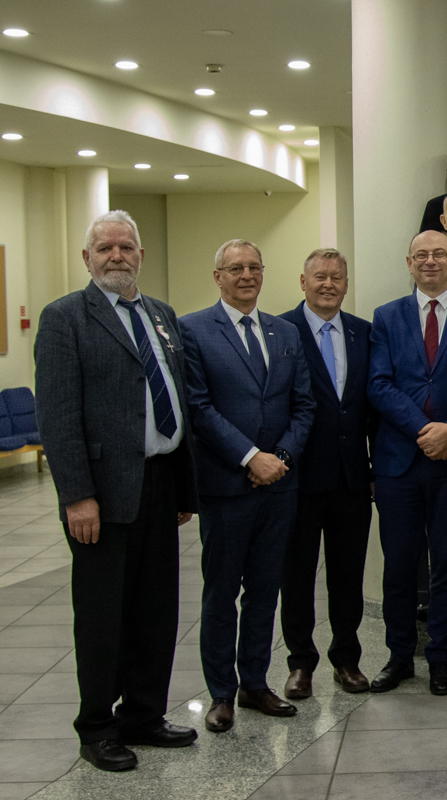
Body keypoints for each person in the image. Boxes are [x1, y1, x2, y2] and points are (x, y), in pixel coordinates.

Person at [34, 210, 199, 772]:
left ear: (140, 256)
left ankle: (144, 715)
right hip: (101, 495)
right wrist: (76, 496)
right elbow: (58, 416)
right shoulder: (65, 318)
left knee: (156, 610)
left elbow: (174, 398)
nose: (116, 256)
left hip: (159, 482)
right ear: (87, 258)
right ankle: (98, 728)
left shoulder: (161, 315)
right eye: (104, 248)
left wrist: (182, 490)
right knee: (103, 617)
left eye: (126, 247)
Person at [179, 239, 317, 733]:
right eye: (235, 268)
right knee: (221, 594)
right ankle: (221, 692)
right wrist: (250, 457)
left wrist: (280, 458)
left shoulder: (284, 331)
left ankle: (254, 684)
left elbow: (304, 404)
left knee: (264, 591)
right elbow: (198, 408)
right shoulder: (193, 329)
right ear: (217, 276)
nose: (246, 276)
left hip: (279, 486)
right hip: (226, 486)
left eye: (254, 267)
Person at [367, 231, 447, 696]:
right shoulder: (387, 316)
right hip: (399, 461)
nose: (431, 261)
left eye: (440, 254)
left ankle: (441, 657)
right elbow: (378, 385)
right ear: (409, 263)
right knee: (400, 565)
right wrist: (425, 431)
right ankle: (400, 657)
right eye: (421, 255)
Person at [278, 249, 374, 699]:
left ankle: (347, 659)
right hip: (298, 478)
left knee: (347, 575)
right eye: (319, 276)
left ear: (346, 284)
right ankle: (300, 663)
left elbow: (369, 404)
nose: (328, 284)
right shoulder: (280, 330)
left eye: (337, 277)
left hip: (352, 478)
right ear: (303, 281)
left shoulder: (363, 332)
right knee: (296, 575)